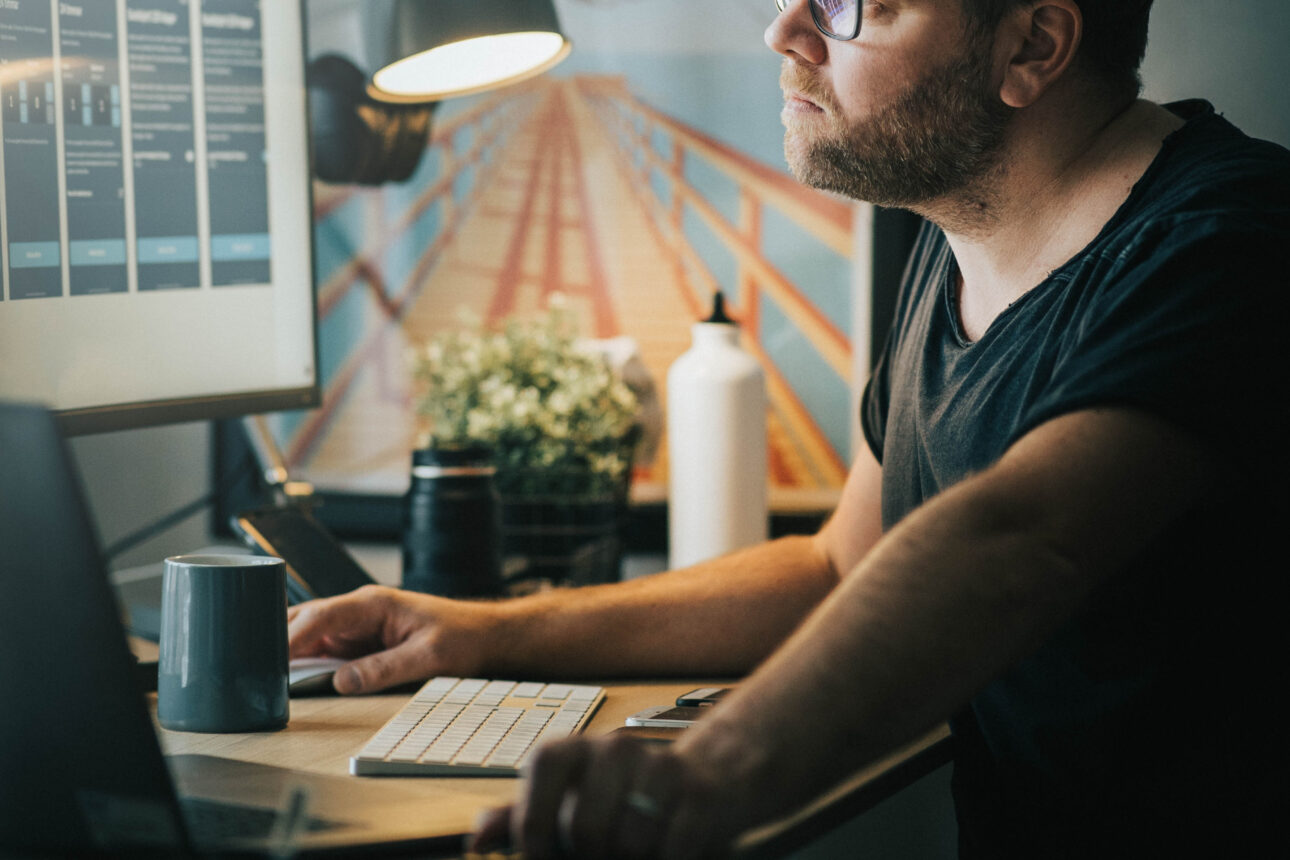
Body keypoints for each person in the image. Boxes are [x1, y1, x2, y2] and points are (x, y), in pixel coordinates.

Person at [288, 0, 1289, 856]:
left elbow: (1021, 535)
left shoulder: (1232, 238)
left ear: (1032, 47)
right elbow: (838, 567)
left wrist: (705, 775)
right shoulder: (960, 251)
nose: (785, 31)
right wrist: (480, 632)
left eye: (856, 3)